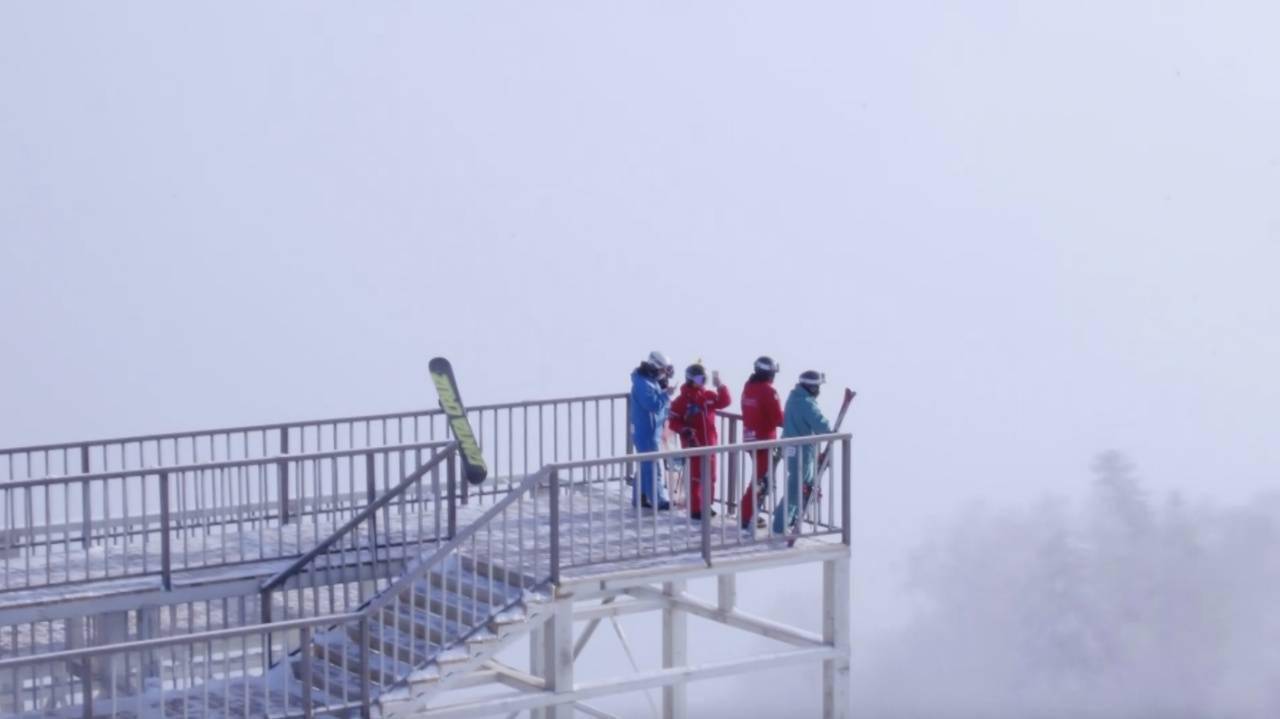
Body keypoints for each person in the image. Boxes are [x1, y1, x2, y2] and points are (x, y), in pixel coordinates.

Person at [667, 362, 732, 519]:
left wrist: (720, 385)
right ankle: (696, 509)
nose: (702, 381)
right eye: (698, 378)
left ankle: (706, 505)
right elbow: (673, 421)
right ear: (690, 379)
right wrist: (684, 430)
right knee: (696, 477)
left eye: (704, 378)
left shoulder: (707, 396)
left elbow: (725, 401)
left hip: (710, 443)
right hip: (693, 444)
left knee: (711, 476)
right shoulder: (681, 401)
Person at [772, 370, 832, 535]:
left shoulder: (795, 397)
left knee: (801, 486)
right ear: (812, 387)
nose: (819, 390)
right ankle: (779, 525)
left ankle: (789, 519)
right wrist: (830, 430)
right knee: (796, 489)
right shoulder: (805, 403)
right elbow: (820, 424)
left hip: (793, 447)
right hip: (801, 450)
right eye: (817, 386)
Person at [738, 356, 784, 529]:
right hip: (764, 441)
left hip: (750, 438)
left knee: (760, 478)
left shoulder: (748, 386)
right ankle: (747, 515)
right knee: (761, 480)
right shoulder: (768, 391)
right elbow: (778, 418)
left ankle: (749, 513)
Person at [630, 350, 675, 509]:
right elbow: (652, 405)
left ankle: (640, 497)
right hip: (646, 430)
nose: (664, 374)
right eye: (663, 370)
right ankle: (658, 499)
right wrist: (666, 395)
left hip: (651, 429)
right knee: (652, 465)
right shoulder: (643, 383)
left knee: (645, 464)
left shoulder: (649, 380)